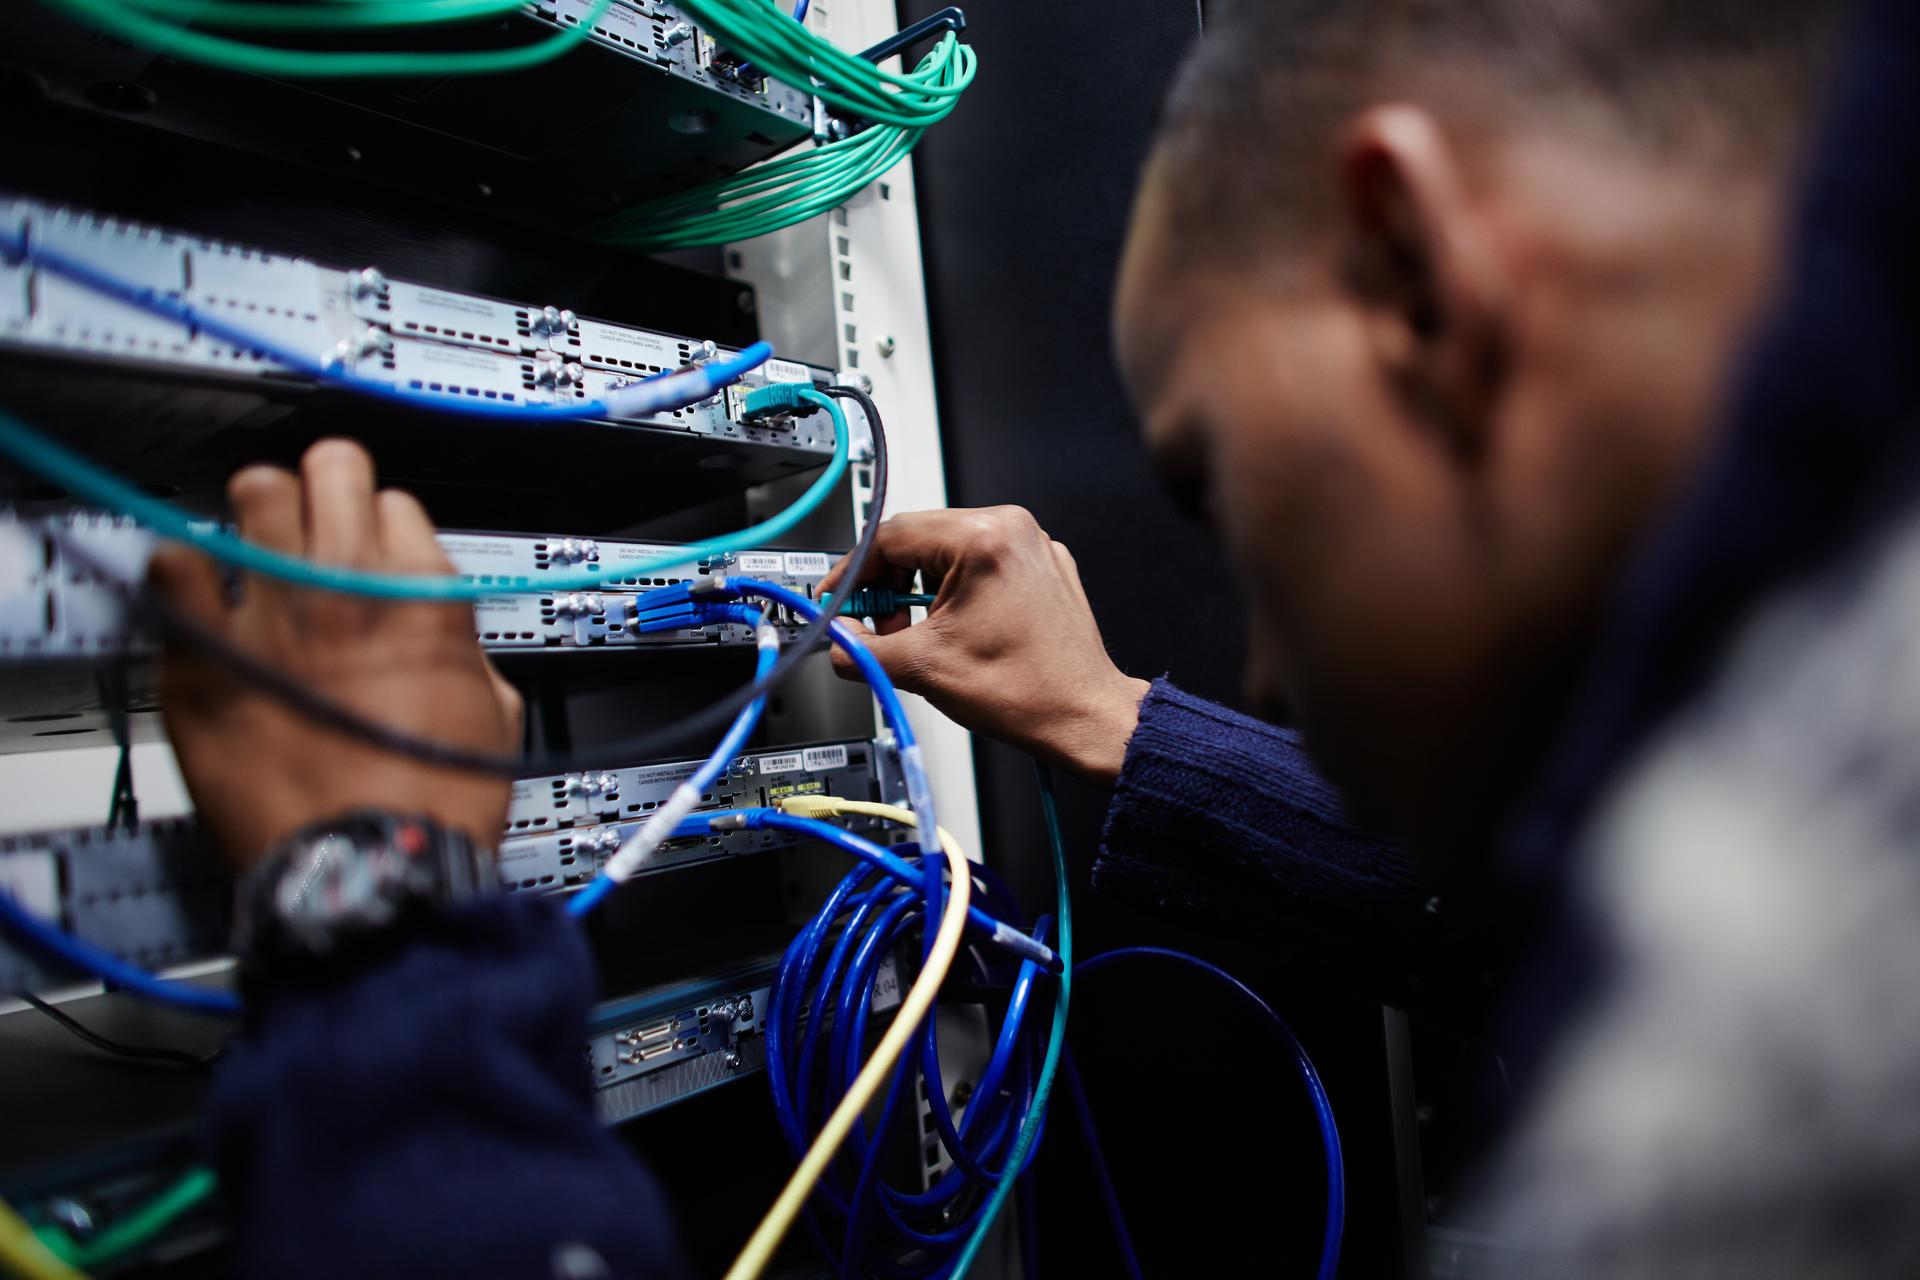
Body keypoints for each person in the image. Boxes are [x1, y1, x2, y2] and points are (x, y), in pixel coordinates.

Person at [146, 0, 1920, 1274]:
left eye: (1223, 492)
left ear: (1417, 280)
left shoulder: (1790, 1101)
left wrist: (376, 923)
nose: (1279, 677)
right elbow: (1536, 906)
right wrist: (1125, 724)